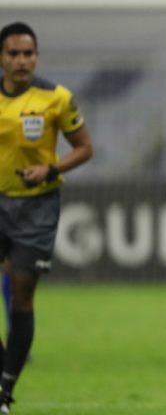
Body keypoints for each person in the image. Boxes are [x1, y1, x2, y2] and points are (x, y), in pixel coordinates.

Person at [0, 21, 93, 413]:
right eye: (13, 53)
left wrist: (52, 169)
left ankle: (5, 390)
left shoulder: (57, 98)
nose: (22, 60)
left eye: (28, 53)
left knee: (22, 297)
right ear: (2, 58)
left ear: (36, 56)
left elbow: (85, 148)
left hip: (37, 208)